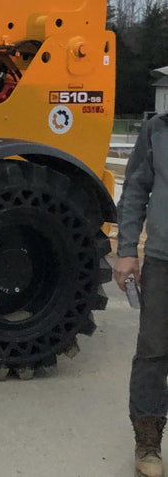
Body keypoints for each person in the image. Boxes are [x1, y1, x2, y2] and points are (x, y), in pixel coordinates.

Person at [114, 112, 168, 477]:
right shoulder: (157, 129)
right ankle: (148, 444)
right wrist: (127, 249)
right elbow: (135, 188)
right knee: (153, 353)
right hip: (164, 261)